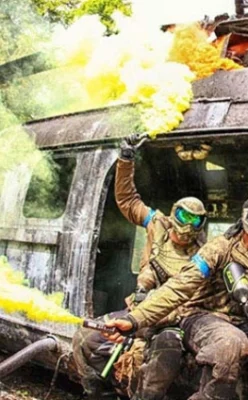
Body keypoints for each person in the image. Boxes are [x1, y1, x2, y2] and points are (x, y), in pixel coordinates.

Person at [106, 195, 248, 400]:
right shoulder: (220, 248)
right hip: (202, 317)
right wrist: (135, 319)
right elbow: (179, 287)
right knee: (230, 345)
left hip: (246, 321)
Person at [72, 134, 207, 400]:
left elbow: (192, 301)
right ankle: (99, 393)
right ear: (173, 213)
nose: (187, 226)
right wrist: (126, 159)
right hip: (135, 312)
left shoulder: (203, 257)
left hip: (169, 322)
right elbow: (127, 200)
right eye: (183, 216)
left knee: (161, 362)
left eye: (195, 221)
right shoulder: (156, 224)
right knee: (86, 337)